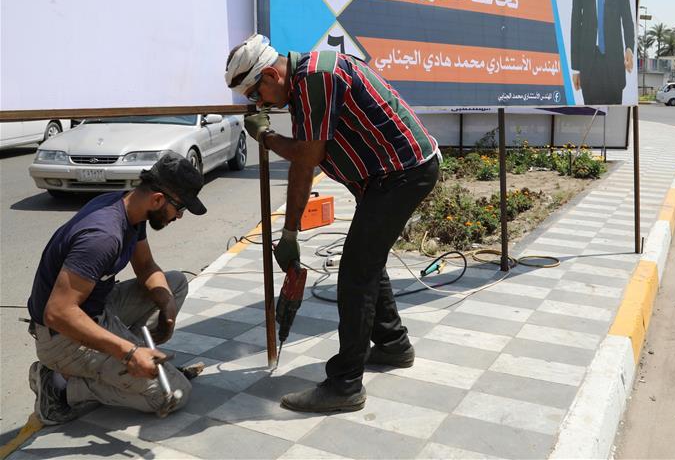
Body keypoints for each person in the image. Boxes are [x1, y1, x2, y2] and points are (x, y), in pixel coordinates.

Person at [224, 34, 440, 413]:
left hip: (403, 173)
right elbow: (303, 168)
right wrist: (289, 231)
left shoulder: (316, 79)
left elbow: (306, 155)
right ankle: (392, 345)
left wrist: (266, 135)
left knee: (355, 274)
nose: (259, 104)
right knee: (366, 264)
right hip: (383, 178)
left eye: (256, 95)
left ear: (272, 75)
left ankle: (345, 385)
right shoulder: (301, 87)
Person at [26, 152, 207, 425]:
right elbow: (58, 313)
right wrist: (130, 353)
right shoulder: (102, 237)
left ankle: (124, 365)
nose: (179, 216)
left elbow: (146, 266)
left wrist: (167, 308)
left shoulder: (130, 208)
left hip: (98, 308)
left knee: (174, 284)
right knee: (173, 394)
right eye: (179, 209)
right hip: (61, 338)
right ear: (158, 199)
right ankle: (59, 385)